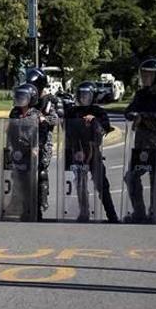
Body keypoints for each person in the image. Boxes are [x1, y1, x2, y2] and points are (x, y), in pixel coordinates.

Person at [123, 59, 156, 223]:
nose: (145, 77)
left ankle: (155, 212)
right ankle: (139, 211)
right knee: (131, 176)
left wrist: (142, 116)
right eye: (143, 73)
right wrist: (137, 115)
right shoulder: (140, 94)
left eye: (149, 74)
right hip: (141, 143)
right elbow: (128, 112)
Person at [64, 81, 119, 222]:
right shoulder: (72, 111)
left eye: (87, 95)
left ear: (93, 95)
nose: (84, 98)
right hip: (77, 151)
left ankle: (112, 215)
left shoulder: (98, 111)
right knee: (80, 183)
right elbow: (66, 129)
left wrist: (95, 121)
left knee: (102, 183)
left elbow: (105, 128)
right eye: (82, 95)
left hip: (94, 151)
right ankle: (84, 213)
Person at [23, 68, 64, 220]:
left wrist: (44, 119)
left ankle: (41, 202)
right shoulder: (26, 99)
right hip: (27, 142)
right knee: (25, 173)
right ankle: (26, 205)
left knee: (40, 171)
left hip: (43, 142)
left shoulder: (50, 100)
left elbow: (56, 119)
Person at [6, 84, 44, 221]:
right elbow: (10, 131)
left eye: (23, 96)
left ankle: (34, 211)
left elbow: (41, 133)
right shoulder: (14, 113)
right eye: (19, 96)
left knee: (31, 183)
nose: (21, 99)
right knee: (19, 182)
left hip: (30, 151)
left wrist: (36, 147)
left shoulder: (36, 113)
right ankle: (23, 209)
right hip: (17, 151)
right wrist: (9, 147)